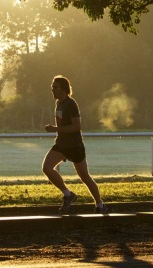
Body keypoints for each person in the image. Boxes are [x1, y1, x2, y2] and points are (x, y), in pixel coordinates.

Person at [43, 75, 109, 214]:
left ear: (64, 89)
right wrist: (56, 130)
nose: (52, 90)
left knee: (84, 176)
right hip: (61, 145)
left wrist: (55, 129)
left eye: (55, 87)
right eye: (52, 87)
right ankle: (68, 194)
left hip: (74, 146)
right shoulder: (58, 104)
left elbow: (76, 126)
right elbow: (63, 124)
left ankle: (99, 204)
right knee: (47, 168)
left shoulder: (71, 104)